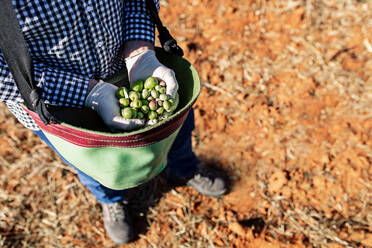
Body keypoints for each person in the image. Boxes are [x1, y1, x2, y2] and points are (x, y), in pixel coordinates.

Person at [0, 0, 227, 244]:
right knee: (95, 163)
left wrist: (140, 52)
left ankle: (185, 167)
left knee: (175, 131)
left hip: (126, 65)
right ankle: (111, 199)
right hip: (58, 101)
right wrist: (88, 93)